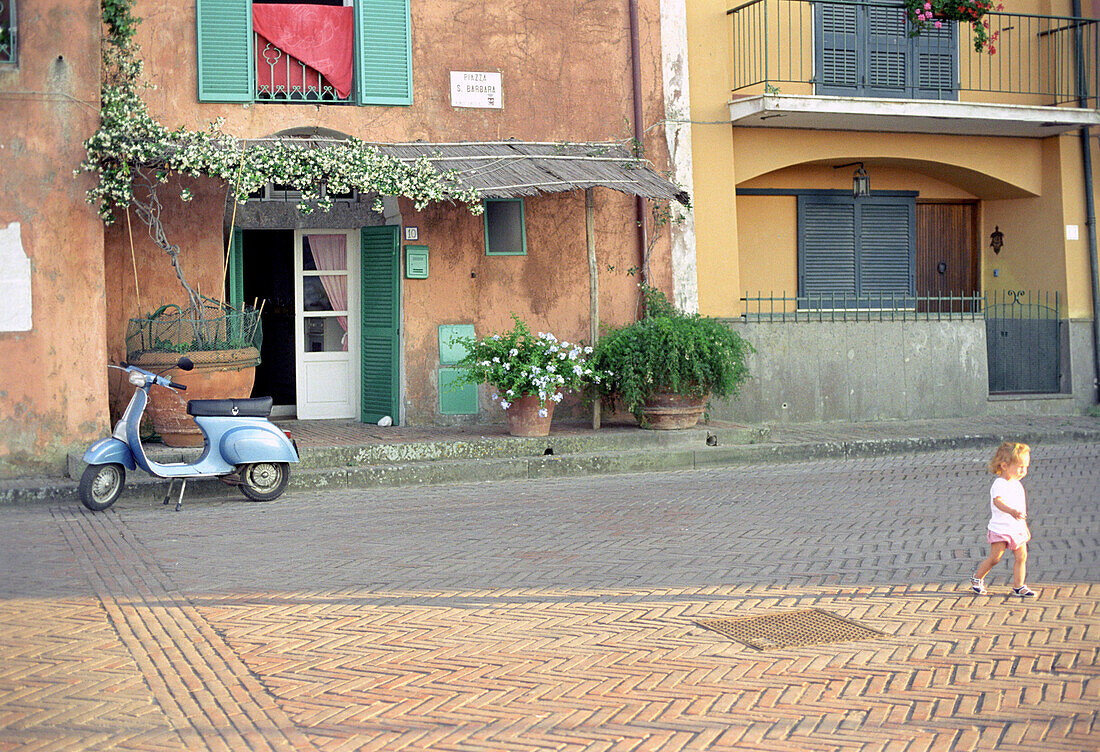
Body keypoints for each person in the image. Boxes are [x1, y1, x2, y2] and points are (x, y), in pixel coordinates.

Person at [970, 441, 1037, 598]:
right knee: (995, 558)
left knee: (1022, 556)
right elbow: (997, 501)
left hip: (1016, 528)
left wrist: (1024, 526)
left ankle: (1019, 586)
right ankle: (977, 578)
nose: (1023, 470)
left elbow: (1022, 510)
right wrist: (1011, 511)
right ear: (1005, 466)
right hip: (1000, 528)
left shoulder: (1017, 485)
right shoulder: (999, 484)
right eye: (1020, 466)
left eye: (1026, 467)